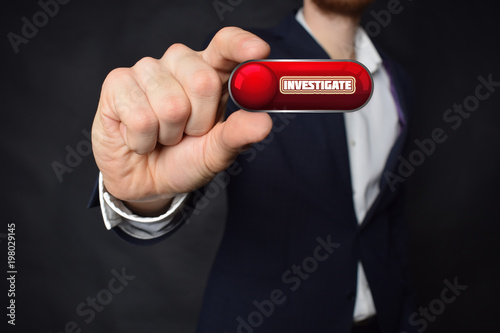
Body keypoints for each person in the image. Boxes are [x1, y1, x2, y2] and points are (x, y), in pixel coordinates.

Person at [90, 0, 416, 332]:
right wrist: (142, 193)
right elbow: (187, 161)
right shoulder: (241, 65)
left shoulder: (397, 81)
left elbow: (389, 219)